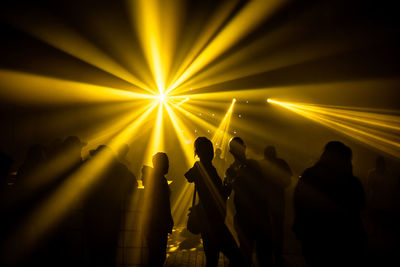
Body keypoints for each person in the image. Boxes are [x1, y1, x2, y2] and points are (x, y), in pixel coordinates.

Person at [293, 141, 366, 267]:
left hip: (314, 237)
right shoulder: (351, 182)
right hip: (344, 239)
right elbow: (361, 204)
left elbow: (298, 200)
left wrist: (300, 226)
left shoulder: (310, 175)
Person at [185, 137, 241, 267]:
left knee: (212, 257)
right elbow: (220, 194)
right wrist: (229, 183)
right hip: (214, 221)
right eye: (209, 150)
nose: (211, 152)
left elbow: (188, 176)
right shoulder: (208, 169)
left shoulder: (199, 167)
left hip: (206, 220)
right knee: (235, 256)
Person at [83, 145, 137, 267]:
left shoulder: (90, 169)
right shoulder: (120, 169)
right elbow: (132, 185)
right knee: (110, 251)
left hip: (92, 217)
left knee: (94, 251)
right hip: (112, 216)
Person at [225, 137, 272, 267]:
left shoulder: (233, 170)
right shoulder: (251, 166)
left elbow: (227, 192)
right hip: (252, 217)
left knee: (250, 253)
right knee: (259, 254)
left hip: (248, 217)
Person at [259, 145, 292, 266]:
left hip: (265, 201)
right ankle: (277, 253)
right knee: (277, 227)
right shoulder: (281, 163)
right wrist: (281, 185)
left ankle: (268, 252)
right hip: (277, 200)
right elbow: (288, 180)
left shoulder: (261, 164)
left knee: (267, 226)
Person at [144, 152, 173, 267]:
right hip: (157, 225)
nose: (168, 165)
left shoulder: (154, 179)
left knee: (154, 255)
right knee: (158, 256)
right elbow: (162, 205)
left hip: (153, 224)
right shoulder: (160, 180)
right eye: (166, 163)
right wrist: (168, 220)